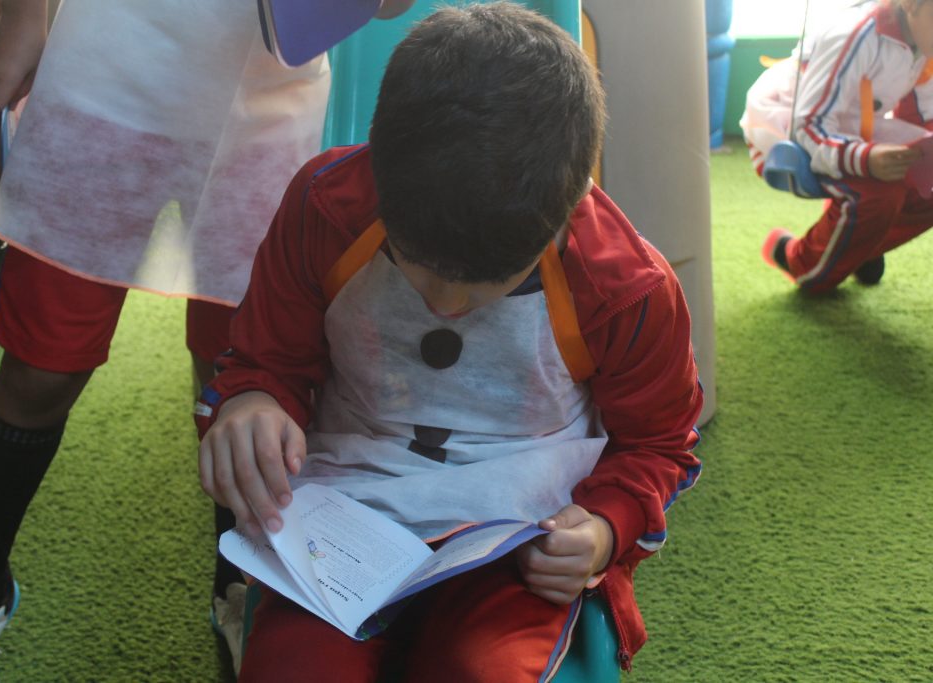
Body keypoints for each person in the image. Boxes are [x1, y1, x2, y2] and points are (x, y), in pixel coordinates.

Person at [196, 4, 704, 681]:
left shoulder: (626, 288)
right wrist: (252, 402)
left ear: (563, 214)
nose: (443, 304)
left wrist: (604, 528)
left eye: (484, 285)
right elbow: (267, 360)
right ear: (380, 173)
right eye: (416, 263)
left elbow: (659, 443)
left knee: (485, 669)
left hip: (521, 534)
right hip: (343, 511)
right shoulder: (325, 206)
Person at [0, 0, 334, 680]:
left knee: (240, 373)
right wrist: (23, 16)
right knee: (40, 370)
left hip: (265, 102)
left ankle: (237, 588)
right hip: (108, 66)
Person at [743, 0, 933, 293]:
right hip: (786, 130)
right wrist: (865, 159)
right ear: (911, 4)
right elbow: (808, 126)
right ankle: (797, 259)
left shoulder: (922, 39)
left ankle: (859, 248)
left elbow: (922, 115)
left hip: (852, 125)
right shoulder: (856, 35)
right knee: (882, 194)